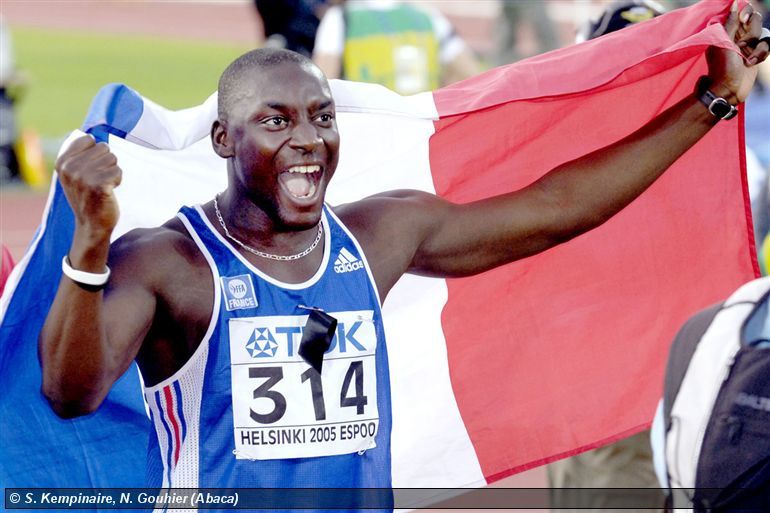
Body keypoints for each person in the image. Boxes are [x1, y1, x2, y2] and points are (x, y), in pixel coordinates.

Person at [40, 1, 767, 504]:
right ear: (226, 140)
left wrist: (711, 103)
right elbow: (71, 391)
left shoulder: (376, 236)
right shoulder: (169, 262)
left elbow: (552, 210)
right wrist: (89, 246)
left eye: (322, 117)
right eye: (276, 119)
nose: (307, 138)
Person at [312, 0, 479, 95]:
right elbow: (472, 76)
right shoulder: (427, 17)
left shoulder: (340, 19)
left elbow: (321, 88)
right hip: (422, 131)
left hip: (368, 131)